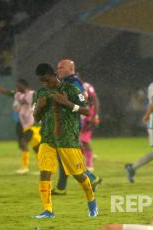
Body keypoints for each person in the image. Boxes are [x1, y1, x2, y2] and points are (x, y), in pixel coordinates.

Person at [32, 63, 98, 219]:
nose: (46, 84)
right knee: (45, 173)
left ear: (55, 75)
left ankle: (92, 202)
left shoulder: (72, 90)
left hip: (67, 139)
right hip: (48, 138)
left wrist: (67, 103)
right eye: (43, 82)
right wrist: (38, 108)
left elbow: (86, 110)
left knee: (79, 175)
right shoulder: (42, 92)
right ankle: (48, 210)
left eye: (48, 80)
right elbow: (36, 118)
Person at [51, 59, 101, 195]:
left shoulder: (74, 84)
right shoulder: (65, 83)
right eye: (57, 67)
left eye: (61, 67)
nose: (58, 70)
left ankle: (93, 179)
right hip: (63, 125)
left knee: (68, 158)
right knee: (63, 158)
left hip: (70, 126)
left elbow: (85, 109)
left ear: (71, 69)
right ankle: (61, 188)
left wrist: (66, 103)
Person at [0, 76, 41, 174]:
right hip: (24, 124)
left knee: (24, 142)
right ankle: (42, 167)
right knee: (35, 147)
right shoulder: (18, 95)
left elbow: (42, 101)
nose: (16, 88)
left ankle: (25, 168)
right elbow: (5, 92)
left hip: (33, 124)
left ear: (23, 85)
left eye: (17, 86)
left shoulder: (32, 94)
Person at [80, 80, 100, 171]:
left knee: (84, 140)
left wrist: (94, 116)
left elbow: (95, 101)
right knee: (79, 140)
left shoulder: (86, 86)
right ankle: (89, 156)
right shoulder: (71, 85)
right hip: (80, 116)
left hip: (88, 116)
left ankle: (89, 163)